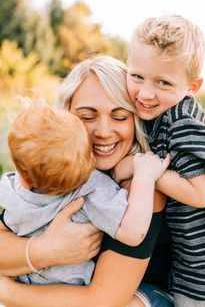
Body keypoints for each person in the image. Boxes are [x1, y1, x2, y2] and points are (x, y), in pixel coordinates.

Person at [0, 55, 174, 307]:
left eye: (119, 117)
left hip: (136, 296)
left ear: (135, 120)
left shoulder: (143, 188)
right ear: (66, 116)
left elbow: (103, 301)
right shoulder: (45, 169)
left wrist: (7, 292)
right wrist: (45, 249)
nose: (103, 132)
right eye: (87, 117)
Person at [116, 14, 205, 306]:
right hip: (194, 262)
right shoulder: (159, 115)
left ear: (192, 87)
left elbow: (200, 193)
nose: (145, 92)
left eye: (164, 83)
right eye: (137, 76)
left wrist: (143, 166)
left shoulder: (182, 122)